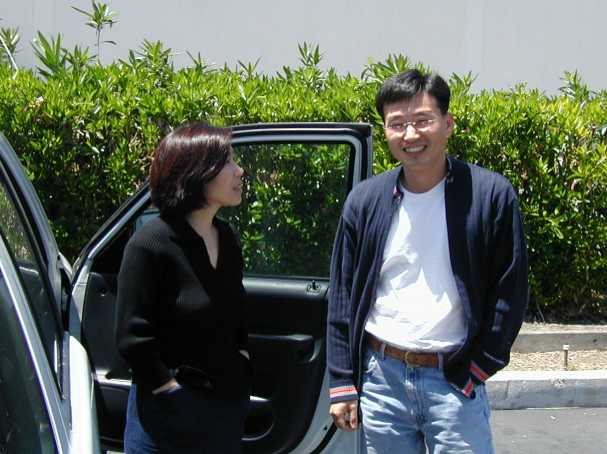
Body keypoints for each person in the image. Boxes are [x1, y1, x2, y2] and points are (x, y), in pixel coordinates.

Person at [327, 69, 528, 453]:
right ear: (385, 130)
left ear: (448, 124)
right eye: (397, 124)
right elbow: (342, 296)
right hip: (382, 380)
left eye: (422, 121)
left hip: (454, 380)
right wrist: (342, 383)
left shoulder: (489, 195)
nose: (410, 135)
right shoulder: (365, 201)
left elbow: (510, 292)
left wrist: (478, 369)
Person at [115, 123, 250, 454]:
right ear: (196, 172)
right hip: (165, 422)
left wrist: (241, 361)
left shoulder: (226, 238)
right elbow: (132, 338)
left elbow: (237, 314)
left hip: (223, 414)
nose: (239, 171)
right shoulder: (150, 244)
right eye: (228, 162)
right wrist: (170, 390)